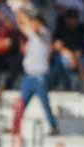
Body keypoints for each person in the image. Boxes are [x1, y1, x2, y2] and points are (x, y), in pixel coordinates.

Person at [11, 7, 59, 136]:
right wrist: (18, 15)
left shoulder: (45, 33)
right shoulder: (33, 35)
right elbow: (23, 28)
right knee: (21, 104)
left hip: (39, 77)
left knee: (45, 104)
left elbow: (33, 29)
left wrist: (24, 17)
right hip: (29, 77)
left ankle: (54, 126)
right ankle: (15, 127)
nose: (31, 23)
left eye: (33, 20)